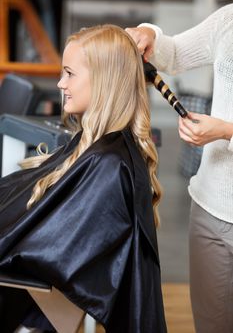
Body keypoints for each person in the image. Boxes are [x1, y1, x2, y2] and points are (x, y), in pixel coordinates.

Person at [0, 24, 167, 333]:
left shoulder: (109, 164)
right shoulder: (102, 150)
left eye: (70, 74)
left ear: (104, 81)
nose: (61, 83)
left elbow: (54, 250)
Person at [126, 3, 233, 333]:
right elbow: (174, 53)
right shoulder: (229, 19)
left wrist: (227, 131)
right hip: (210, 208)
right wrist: (149, 34)